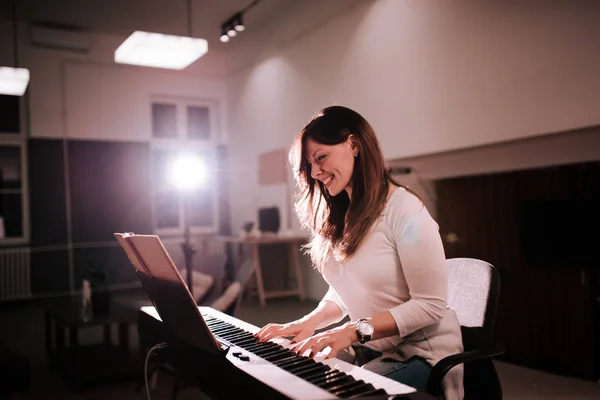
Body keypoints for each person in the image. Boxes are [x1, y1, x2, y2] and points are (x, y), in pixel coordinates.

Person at [255, 105, 464, 399]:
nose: (315, 173)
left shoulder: (405, 210)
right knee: (292, 377)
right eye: (309, 165)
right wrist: (308, 322)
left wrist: (354, 330)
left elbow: (430, 305)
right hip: (372, 345)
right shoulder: (345, 214)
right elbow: (349, 287)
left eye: (321, 158)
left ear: (353, 145)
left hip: (422, 352)